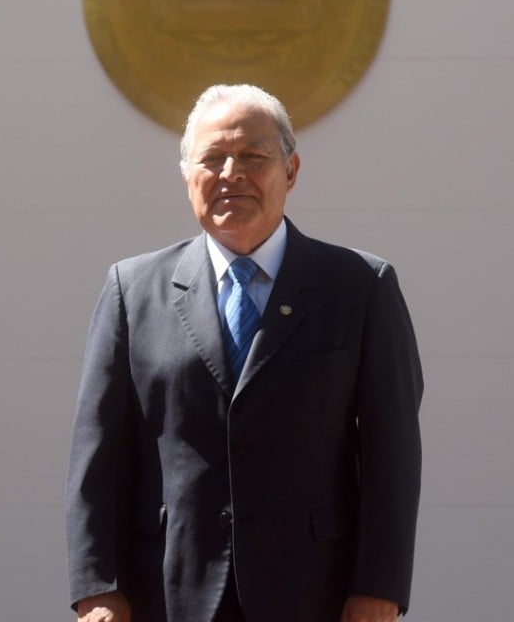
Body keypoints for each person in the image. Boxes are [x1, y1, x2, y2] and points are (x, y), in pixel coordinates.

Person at [65, 84, 422, 622]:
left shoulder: (359, 287)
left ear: (291, 171)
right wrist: (98, 587)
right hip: (166, 589)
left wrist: (380, 586)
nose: (231, 173)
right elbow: (98, 452)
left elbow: (391, 452)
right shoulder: (132, 290)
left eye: (253, 157)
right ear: (188, 176)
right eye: (212, 159)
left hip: (314, 591)